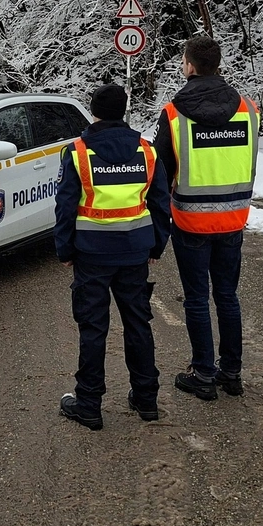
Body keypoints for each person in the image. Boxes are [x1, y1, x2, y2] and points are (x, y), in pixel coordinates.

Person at [55, 83, 172, 430]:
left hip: (92, 254)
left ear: (93, 111)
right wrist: (156, 246)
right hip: (134, 253)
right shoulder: (147, 151)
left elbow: (65, 207)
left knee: (93, 328)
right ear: (124, 111)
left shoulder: (77, 152)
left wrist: (64, 250)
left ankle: (89, 405)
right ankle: (146, 398)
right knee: (138, 324)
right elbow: (160, 204)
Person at [154, 34, 260, 402]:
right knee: (227, 296)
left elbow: (161, 172)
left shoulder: (174, 113)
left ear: (189, 66)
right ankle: (231, 373)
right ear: (218, 65)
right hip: (234, 218)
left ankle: (203, 373)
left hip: (190, 221)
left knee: (197, 299)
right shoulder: (248, 108)